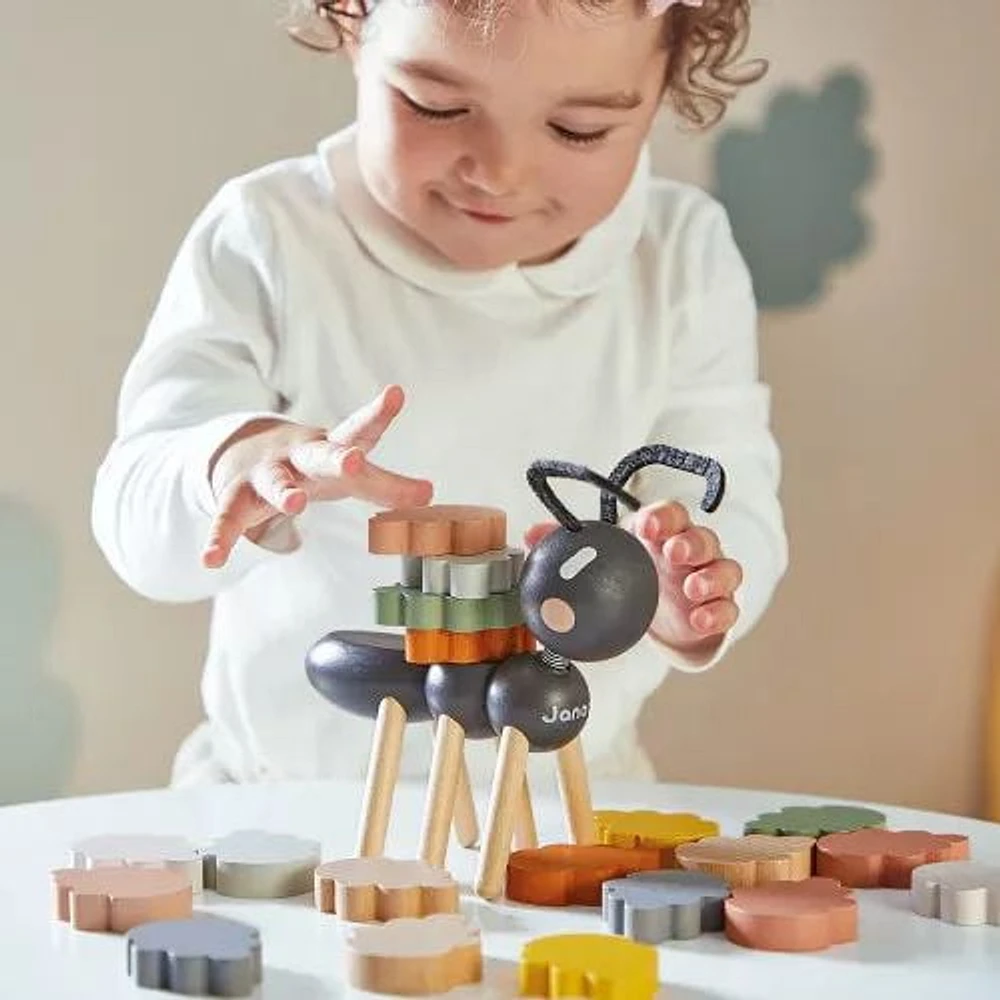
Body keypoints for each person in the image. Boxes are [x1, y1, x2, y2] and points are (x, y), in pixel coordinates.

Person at [91, 0, 788, 792]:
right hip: (285, 802)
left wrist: (686, 583)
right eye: (437, 106)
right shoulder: (269, 237)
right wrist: (234, 466)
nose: (498, 171)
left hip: (571, 801)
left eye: (579, 129)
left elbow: (731, 486)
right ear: (355, 28)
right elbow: (136, 513)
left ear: (662, 88)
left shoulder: (683, 257)